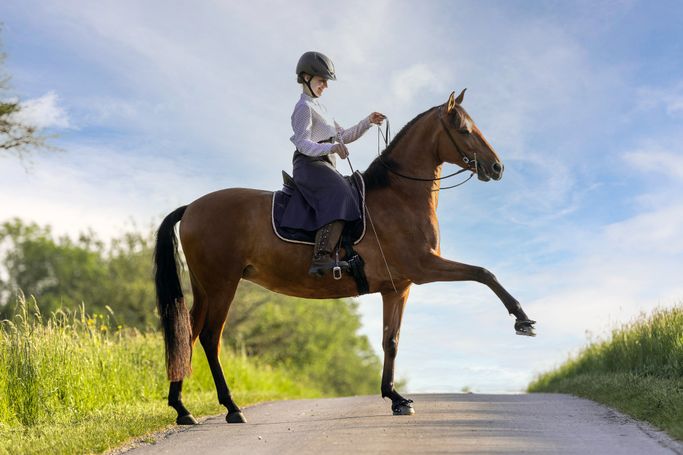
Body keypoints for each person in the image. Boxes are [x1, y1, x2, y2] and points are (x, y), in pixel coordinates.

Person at [285, 51, 385, 277]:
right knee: (341, 193)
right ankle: (321, 257)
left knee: (351, 189)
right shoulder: (303, 108)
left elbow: (344, 136)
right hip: (309, 164)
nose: (325, 86)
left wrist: (368, 121)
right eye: (322, 80)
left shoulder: (322, 109)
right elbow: (302, 143)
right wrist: (330, 148)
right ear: (306, 77)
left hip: (325, 164)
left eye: (326, 81)